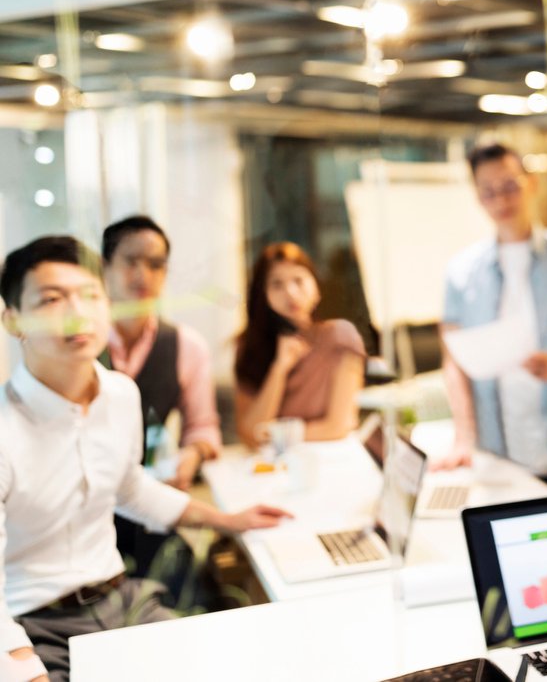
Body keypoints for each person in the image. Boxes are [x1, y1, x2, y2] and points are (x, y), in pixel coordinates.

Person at [0, 236, 290, 682]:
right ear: (12, 319)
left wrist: (229, 520)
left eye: (90, 295)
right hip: (35, 624)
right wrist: (22, 668)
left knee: (244, 665)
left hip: (123, 601)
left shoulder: (119, 394)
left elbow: (128, 487)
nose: (78, 313)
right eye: (52, 299)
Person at [438, 143, 547, 476]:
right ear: (477, 197)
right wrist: (463, 436)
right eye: (488, 192)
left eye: (509, 187)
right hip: (498, 442)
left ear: (531, 183)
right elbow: (454, 361)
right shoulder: (461, 271)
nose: (501, 201)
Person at [100, 216, 225, 597]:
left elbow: (202, 427)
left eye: (155, 265)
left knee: (201, 597)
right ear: (103, 268)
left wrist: (192, 454)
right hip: (85, 520)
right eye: (130, 261)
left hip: (150, 509)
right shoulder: (76, 344)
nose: (143, 274)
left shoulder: (186, 346)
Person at [234, 242, 365, 448]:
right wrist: (279, 369)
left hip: (332, 460)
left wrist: (276, 434)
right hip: (276, 467)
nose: (291, 293)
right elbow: (251, 435)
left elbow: (338, 426)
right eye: (276, 284)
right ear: (263, 295)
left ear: (316, 287)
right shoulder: (250, 347)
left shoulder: (340, 338)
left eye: (299, 280)